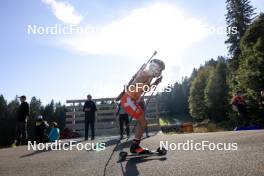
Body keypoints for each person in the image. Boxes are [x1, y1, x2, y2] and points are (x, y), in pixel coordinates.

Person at [120, 59, 165, 154]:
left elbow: (141, 88)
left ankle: (135, 145)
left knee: (143, 122)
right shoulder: (147, 75)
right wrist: (156, 83)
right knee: (143, 122)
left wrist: (154, 82)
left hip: (130, 100)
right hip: (129, 101)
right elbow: (142, 88)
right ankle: (134, 146)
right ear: (155, 68)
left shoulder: (148, 74)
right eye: (160, 70)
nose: (160, 72)